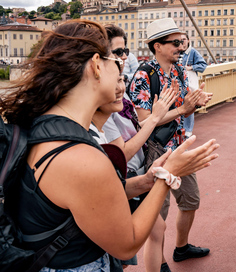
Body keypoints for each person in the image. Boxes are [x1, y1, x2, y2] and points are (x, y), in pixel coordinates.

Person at [0, 20, 219, 271]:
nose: (121, 67)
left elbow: (87, 197)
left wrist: (146, 180)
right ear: (95, 65)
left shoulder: (45, 128)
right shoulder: (81, 158)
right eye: (115, 61)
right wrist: (168, 175)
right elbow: (127, 244)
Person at [130, 18, 213, 265]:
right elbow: (145, 122)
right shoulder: (144, 75)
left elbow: (184, 110)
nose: (181, 47)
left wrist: (194, 102)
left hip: (178, 146)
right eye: (175, 43)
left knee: (191, 200)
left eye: (182, 42)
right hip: (156, 153)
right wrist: (182, 110)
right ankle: (161, 263)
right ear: (157, 46)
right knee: (158, 214)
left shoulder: (178, 71)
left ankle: (182, 247)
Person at [101, 24, 180, 272]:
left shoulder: (118, 98)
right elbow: (121, 151)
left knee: (156, 229)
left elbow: (135, 129)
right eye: (118, 51)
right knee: (122, 249)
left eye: (125, 50)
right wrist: (157, 117)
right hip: (122, 175)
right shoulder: (104, 103)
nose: (124, 56)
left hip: (134, 172)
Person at [179, 33, 207, 137]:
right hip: (179, 84)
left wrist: (191, 68)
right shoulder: (176, 52)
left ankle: (188, 130)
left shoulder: (192, 52)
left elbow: (203, 66)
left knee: (189, 104)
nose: (182, 42)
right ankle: (181, 128)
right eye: (179, 40)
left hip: (189, 84)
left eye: (184, 39)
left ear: (188, 40)